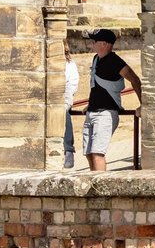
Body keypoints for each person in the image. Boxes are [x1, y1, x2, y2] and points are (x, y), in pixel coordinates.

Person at [80, 28, 142, 171]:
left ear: (104, 44)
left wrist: (143, 104)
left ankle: (99, 190)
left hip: (106, 114)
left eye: (95, 41)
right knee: (89, 153)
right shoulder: (96, 59)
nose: (92, 44)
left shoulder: (115, 61)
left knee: (97, 153)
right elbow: (96, 86)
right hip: (92, 112)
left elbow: (134, 79)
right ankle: (93, 184)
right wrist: (90, 104)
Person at [60, 39, 81, 170]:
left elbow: (71, 85)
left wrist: (65, 102)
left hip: (63, 98)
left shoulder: (69, 65)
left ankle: (68, 150)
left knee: (63, 112)